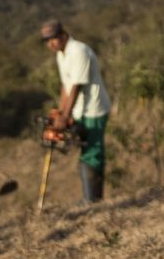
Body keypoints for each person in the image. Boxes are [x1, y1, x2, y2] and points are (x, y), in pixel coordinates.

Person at [40, 19, 112, 204]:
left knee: (92, 152)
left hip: (93, 109)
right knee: (85, 151)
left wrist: (65, 116)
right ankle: (89, 197)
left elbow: (76, 87)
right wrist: (61, 113)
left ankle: (93, 200)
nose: (51, 44)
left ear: (63, 35)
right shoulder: (61, 55)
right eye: (47, 41)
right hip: (80, 110)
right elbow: (66, 87)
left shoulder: (78, 51)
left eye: (53, 39)